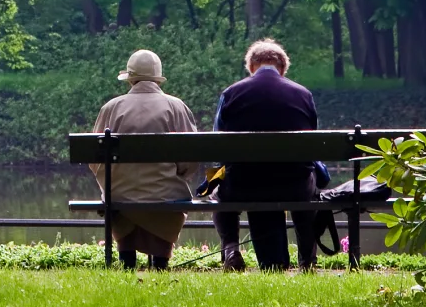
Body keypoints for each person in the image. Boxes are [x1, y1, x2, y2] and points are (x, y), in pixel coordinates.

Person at [212, 39, 318, 271]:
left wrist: (212, 179)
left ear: (251, 66)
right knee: (310, 187)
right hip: (294, 185)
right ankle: (307, 260)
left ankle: (231, 249)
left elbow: (217, 146)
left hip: (244, 184)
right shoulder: (303, 95)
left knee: (218, 189)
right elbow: (313, 146)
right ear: (282, 68)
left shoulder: (231, 93)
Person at [91, 49, 198, 271]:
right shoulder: (176, 107)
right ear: (158, 78)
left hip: (119, 196)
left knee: (120, 196)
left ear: (130, 78)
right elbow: (191, 159)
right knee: (167, 195)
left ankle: (127, 260)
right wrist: (177, 175)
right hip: (165, 197)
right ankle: (160, 263)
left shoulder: (111, 108)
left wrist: (112, 181)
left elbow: (94, 158)